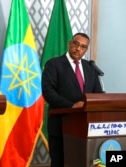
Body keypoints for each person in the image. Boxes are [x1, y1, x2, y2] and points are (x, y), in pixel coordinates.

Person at [42, 32, 103, 167]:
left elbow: (98, 94)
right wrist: (72, 105)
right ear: (70, 44)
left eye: (83, 47)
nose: (78, 49)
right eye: (76, 44)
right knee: (60, 163)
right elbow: (48, 92)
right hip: (60, 124)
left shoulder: (90, 67)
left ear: (86, 50)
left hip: (85, 128)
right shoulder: (54, 64)